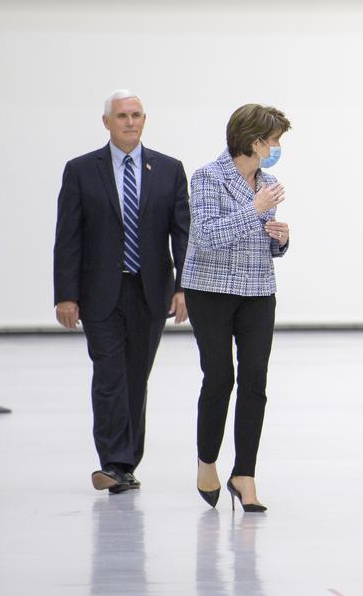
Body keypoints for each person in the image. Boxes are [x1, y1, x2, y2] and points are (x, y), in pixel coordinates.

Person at [53, 90, 190, 494]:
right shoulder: (81, 170)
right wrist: (66, 294)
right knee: (109, 376)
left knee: (135, 377)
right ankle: (113, 462)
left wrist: (184, 287)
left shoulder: (168, 169)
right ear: (106, 122)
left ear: (144, 120)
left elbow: (182, 234)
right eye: (121, 116)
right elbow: (68, 237)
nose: (129, 122)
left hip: (151, 292)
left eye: (136, 115)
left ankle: (127, 462)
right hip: (99, 294)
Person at [185, 104, 291, 512]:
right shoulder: (207, 178)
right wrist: (256, 210)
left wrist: (279, 239)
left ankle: (244, 473)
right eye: (275, 139)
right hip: (209, 292)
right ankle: (207, 462)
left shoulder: (269, 182)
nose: (279, 147)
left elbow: (260, 241)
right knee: (219, 376)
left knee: (255, 381)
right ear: (254, 141)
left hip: (258, 291)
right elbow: (209, 236)